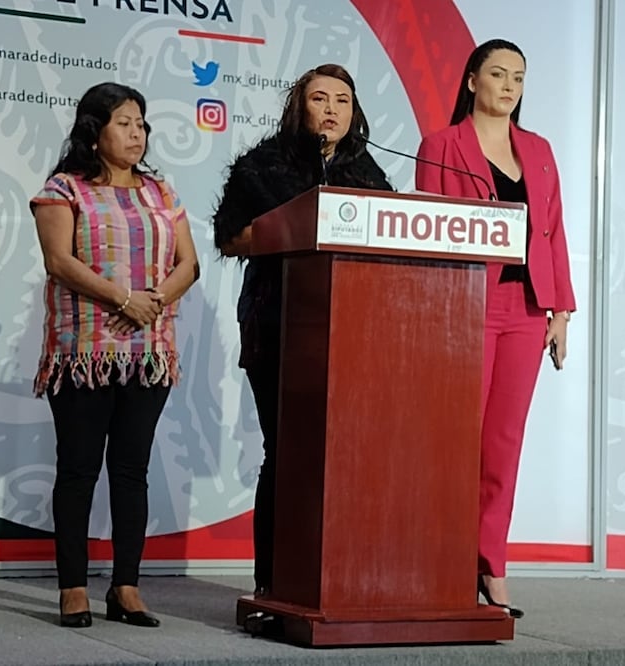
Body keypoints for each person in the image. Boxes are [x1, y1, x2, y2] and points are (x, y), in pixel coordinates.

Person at [212, 64, 393, 597]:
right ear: (300, 107)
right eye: (320, 98)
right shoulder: (261, 165)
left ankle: (340, 575)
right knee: (287, 448)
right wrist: (290, 229)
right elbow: (228, 239)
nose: (332, 109)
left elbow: (391, 229)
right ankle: (274, 579)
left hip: (352, 331)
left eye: (343, 99)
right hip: (278, 323)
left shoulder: (365, 170)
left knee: (345, 452)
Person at [415, 39, 576, 618]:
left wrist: (559, 312)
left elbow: (552, 232)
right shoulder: (441, 145)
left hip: (527, 311)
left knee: (503, 445)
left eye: (519, 78)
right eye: (499, 74)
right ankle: (445, 560)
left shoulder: (538, 150)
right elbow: (427, 232)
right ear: (471, 81)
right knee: (458, 440)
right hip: (465, 309)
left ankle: (492, 564)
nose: (510, 86)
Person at [31, 82, 199, 628]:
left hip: (148, 352)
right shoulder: (64, 189)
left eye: (141, 124)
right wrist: (123, 299)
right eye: (125, 122)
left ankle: (125, 587)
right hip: (84, 349)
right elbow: (59, 260)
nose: (137, 134)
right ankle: (73, 588)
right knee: (78, 470)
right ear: (94, 130)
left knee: (132, 470)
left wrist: (152, 304)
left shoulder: (161, 192)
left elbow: (188, 264)